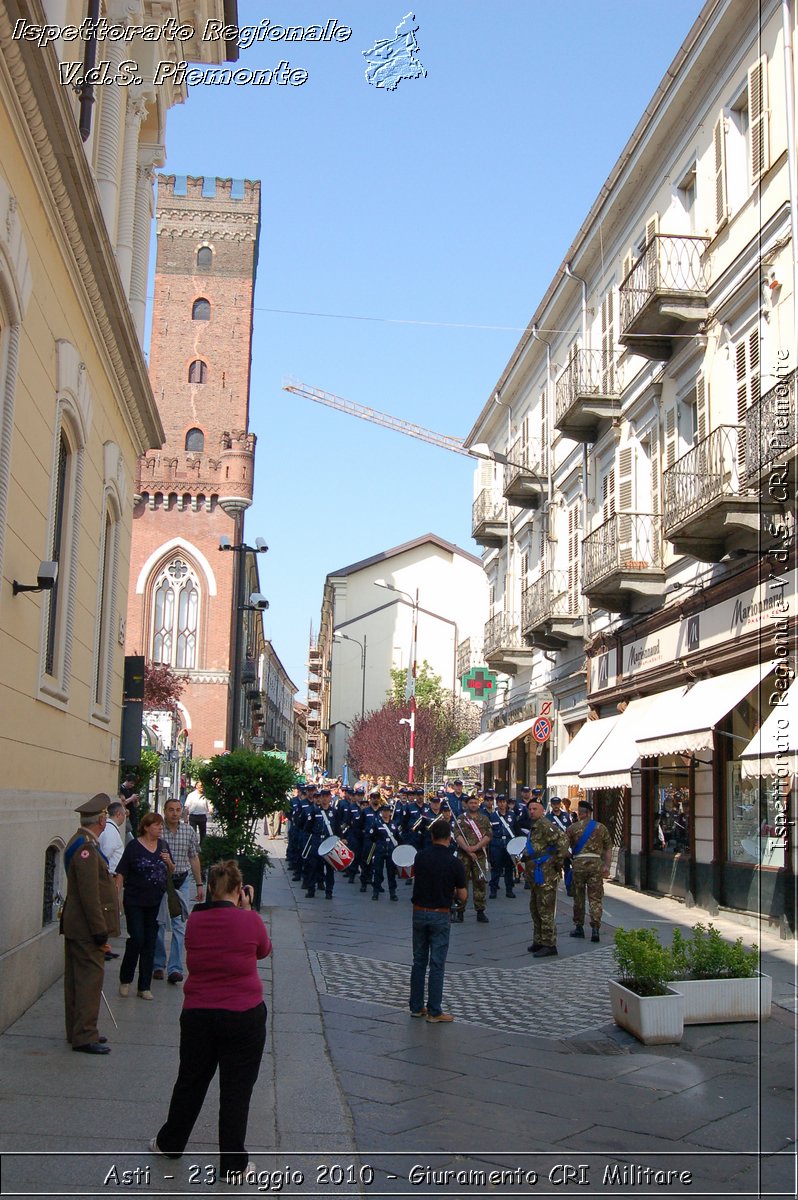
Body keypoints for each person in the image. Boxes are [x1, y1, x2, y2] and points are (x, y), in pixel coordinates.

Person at [150, 860, 271, 1181]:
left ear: (211, 890)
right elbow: (264, 950)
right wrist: (248, 910)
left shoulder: (196, 923)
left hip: (199, 1014)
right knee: (236, 1091)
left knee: (190, 1082)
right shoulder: (251, 922)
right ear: (238, 890)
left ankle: (170, 1143)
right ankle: (233, 1165)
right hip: (244, 1015)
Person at [60, 793, 120, 1054]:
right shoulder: (86, 848)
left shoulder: (83, 842)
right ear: (101, 819)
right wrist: (99, 930)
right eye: (105, 815)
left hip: (77, 925)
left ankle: (78, 1029)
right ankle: (84, 1034)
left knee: (77, 980)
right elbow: (89, 894)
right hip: (85, 927)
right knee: (88, 981)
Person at [409, 819, 467, 1023]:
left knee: (418, 961)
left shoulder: (420, 857)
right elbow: (462, 895)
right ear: (449, 838)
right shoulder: (454, 862)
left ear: (432, 836)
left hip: (419, 912)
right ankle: (435, 1011)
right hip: (440, 914)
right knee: (437, 964)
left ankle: (416, 1007)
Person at [116, 811, 172, 1000]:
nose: (160, 828)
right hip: (134, 900)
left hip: (155, 902)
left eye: (161, 825)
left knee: (150, 942)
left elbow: (171, 870)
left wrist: (169, 862)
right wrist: (118, 895)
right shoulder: (133, 846)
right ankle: (125, 979)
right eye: (157, 825)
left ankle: (144, 986)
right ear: (147, 827)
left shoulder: (163, 846)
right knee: (137, 938)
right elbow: (121, 871)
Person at [154, 799, 205, 983]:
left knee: (179, 925)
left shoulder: (188, 830)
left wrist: (199, 884)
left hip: (182, 880)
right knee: (159, 923)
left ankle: (175, 968)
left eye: (177, 810)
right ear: (165, 811)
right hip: (161, 881)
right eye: (171, 810)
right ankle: (158, 964)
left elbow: (194, 858)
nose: (174, 813)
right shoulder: (158, 832)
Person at [522, 796, 568, 957]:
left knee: (545, 909)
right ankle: (539, 940)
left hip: (545, 875)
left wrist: (556, 864)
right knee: (535, 908)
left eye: (535, 809)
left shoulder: (546, 825)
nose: (532, 811)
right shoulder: (535, 825)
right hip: (535, 874)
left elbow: (563, 842)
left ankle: (549, 944)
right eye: (530, 809)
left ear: (542, 810)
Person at [568, 798, 613, 942]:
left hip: (579, 865)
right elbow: (608, 848)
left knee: (578, 897)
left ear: (580, 813)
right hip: (595, 865)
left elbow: (563, 849)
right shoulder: (601, 828)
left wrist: (572, 858)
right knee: (595, 898)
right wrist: (607, 866)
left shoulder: (573, 828)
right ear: (590, 813)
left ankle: (579, 927)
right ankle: (595, 928)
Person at [452, 793, 491, 923]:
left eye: (475, 803)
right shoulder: (461, 818)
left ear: (478, 804)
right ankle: (460, 911)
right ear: (467, 805)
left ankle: (480, 911)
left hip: (479, 855)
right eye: (471, 803)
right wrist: (468, 850)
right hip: (464, 855)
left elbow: (488, 835)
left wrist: (475, 848)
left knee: (479, 882)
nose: (473, 805)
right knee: (461, 883)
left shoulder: (484, 819)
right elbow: (457, 835)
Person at [98, 799, 127, 960]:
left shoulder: (111, 829)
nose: (125, 818)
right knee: (106, 912)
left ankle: (105, 946)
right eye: (124, 814)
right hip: (110, 876)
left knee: (109, 913)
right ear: (118, 814)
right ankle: (103, 947)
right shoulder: (110, 831)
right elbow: (106, 854)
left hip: (114, 875)